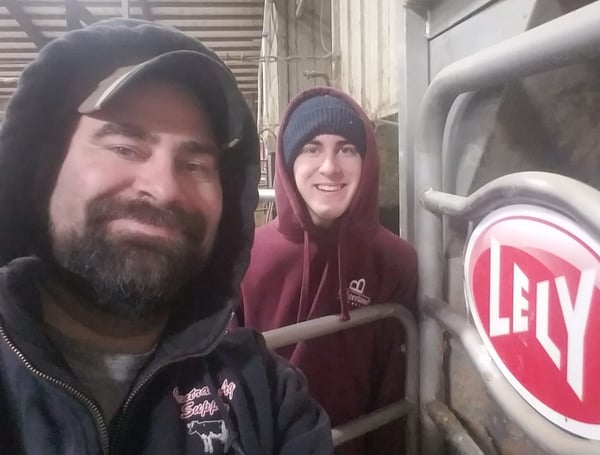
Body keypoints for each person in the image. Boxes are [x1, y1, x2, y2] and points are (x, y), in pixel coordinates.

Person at [0, 18, 333, 455]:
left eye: (195, 165)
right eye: (124, 148)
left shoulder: (268, 396)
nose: (164, 189)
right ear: (41, 171)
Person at [238, 87, 418, 455]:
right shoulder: (245, 256)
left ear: (366, 161)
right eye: (311, 148)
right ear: (287, 162)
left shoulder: (396, 260)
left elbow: (395, 388)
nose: (330, 166)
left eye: (346, 149)